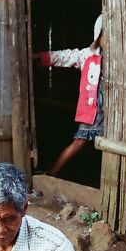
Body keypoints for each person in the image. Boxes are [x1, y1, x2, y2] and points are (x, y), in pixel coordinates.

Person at [35, 14, 105, 177]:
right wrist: (43, 57)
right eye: (105, 35)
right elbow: (67, 56)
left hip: (112, 113)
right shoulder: (88, 56)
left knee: (110, 147)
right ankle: (51, 174)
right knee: (79, 142)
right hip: (94, 111)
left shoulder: (121, 60)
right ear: (98, 36)